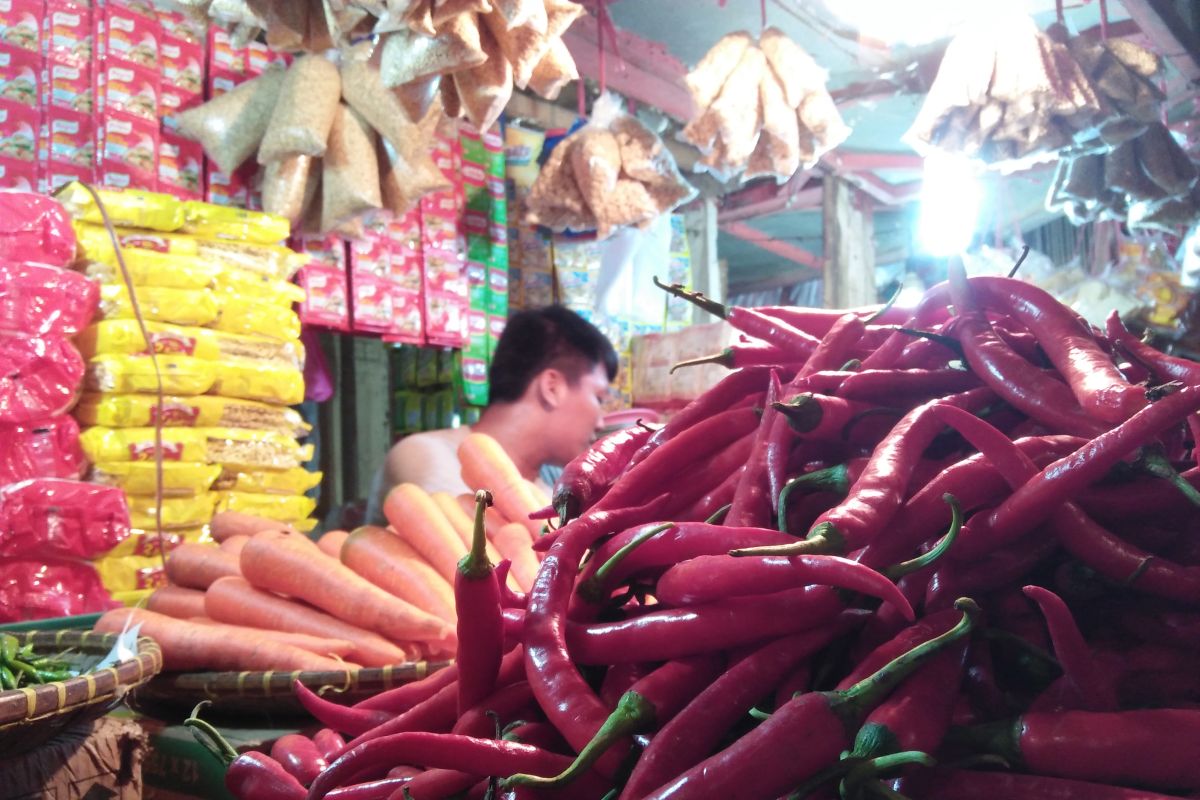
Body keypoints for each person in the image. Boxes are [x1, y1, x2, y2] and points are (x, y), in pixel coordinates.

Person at [365, 305, 618, 523]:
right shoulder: (426, 455)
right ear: (552, 387)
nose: (600, 422)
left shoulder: (548, 493)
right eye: (598, 397)